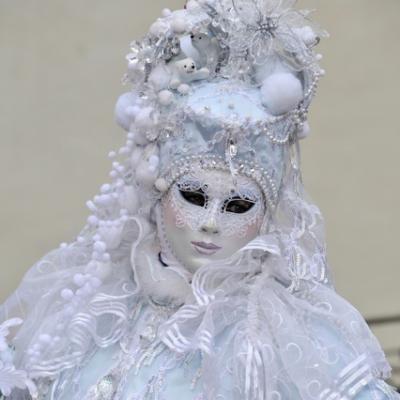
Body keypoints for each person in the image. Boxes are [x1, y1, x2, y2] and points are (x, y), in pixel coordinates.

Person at [1, 0, 399, 398]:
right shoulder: (93, 306)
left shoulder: (285, 337)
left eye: (238, 205)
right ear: (157, 194)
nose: (210, 222)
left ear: (266, 215)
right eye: (193, 196)